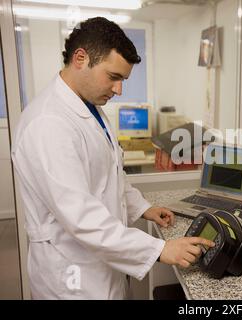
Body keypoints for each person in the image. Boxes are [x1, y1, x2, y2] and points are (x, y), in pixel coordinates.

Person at [11, 17, 214, 299]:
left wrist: (143, 208)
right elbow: (81, 217)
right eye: (114, 77)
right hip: (72, 277)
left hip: (99, 265)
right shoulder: (48, 124)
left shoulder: (89, 108)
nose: (119, 90)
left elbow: (108, 176)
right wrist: (160, 249)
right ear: (80, 58)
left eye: (123, 79)